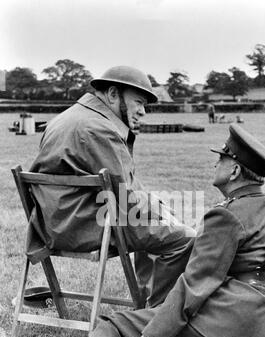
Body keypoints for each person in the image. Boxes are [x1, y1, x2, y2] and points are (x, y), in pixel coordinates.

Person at [53, 124, 265, 337]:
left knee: (114, 323)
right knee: (142, 331)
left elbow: (194, 285)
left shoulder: (226, 216)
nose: (216, 164)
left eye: (221, 159)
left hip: (228, 333)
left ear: (235, 171)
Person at [27, 66, 196, 308]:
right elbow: (127, 201)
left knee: (157, 222)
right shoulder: (100, 129)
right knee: (184, 238)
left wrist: (156, 209)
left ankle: (146, 301)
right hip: (86, 226)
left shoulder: (65, 118)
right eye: (138, 102)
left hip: (52, 224)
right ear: (113, 94)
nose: (143, 112)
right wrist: (161, 209)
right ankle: (157, 312)